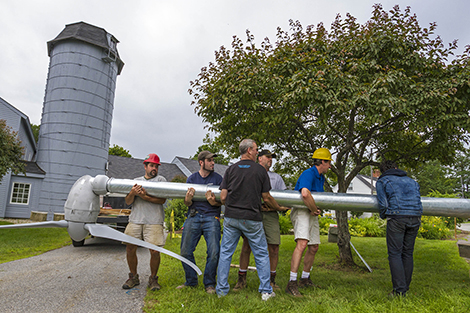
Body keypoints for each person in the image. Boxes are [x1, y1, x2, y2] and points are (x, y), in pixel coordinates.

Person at [216, 139, 285, 301]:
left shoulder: (230, 169)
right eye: (255, 150)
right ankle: (266, 291)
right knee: (261, 254)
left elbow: (224, 197)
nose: (257, 152)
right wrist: (278, 208)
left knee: (226, 253)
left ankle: (221, 291)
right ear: (249, 150)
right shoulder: (260, 171)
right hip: (252, 218)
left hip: (231, 218)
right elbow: (266, 197)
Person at [233, 149, 288, 292]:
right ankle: (241, 279)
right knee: (247, 246)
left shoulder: (276, 178)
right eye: (268, 157)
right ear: (259, 158)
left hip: (270, 215)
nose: (270, 160)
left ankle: (271, 280)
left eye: (272, 158)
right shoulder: (251, 172)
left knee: (274, 247)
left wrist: (275, 208)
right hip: (253, 213)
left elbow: (284, 197)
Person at [286, 148, 332, 297]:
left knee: (314, 247)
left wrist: (314, 209)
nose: (330, 166)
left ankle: (305, 278)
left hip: (312, 211)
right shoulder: (308, 173)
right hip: (302, 210)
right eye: (329, 162)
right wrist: (313, 209)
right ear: (322, 162)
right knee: (302, 244)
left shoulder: (321, 177)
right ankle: (291, 283)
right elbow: (305, 193)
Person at [176, 151, 223, 294]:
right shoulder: (192, 178)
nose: (213, 163)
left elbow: (222, 201)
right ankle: (191, 281)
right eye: (209, 160)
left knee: (214, 252)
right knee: (185, 251)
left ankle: (209, 283)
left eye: (213, 160)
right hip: (193, 216)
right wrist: (188, 200)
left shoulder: (218, 179)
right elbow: (186, 202)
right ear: (201, 162)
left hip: (211, 218)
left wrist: (213, 202)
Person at [376, 160, 422, 297]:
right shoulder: (412, 181)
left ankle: (399, 291)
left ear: (382, 171)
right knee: (408, 253)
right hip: (415, 217)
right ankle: (405, 287)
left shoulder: (383, 180)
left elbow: (383, 204)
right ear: (396, 168)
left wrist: (384, 215)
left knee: (395, 253)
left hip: (397, 217)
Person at [122, 153, 167, 291]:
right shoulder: (136, 181)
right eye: (152, 165)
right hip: (135, 220)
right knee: (130, 248)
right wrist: (133, 193)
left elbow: (162, 200)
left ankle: (153, 279)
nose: (154, 168)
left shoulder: (161, 180)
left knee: (154, 251)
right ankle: (133, 277)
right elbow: (128, 201)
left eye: (156, 166)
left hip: (154, 220)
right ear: (145, 166)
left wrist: (145, 196)